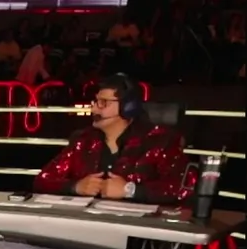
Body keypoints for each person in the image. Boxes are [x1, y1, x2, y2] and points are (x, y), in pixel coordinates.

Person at [33, 74, 190, 203]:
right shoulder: (83, 139)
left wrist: (130, 190)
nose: (94, 109)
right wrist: (75, 187)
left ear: (128, 107)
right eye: (96, 102)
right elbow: (43, 180)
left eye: (103, 103)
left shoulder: (160, 141)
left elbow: (183, 189)